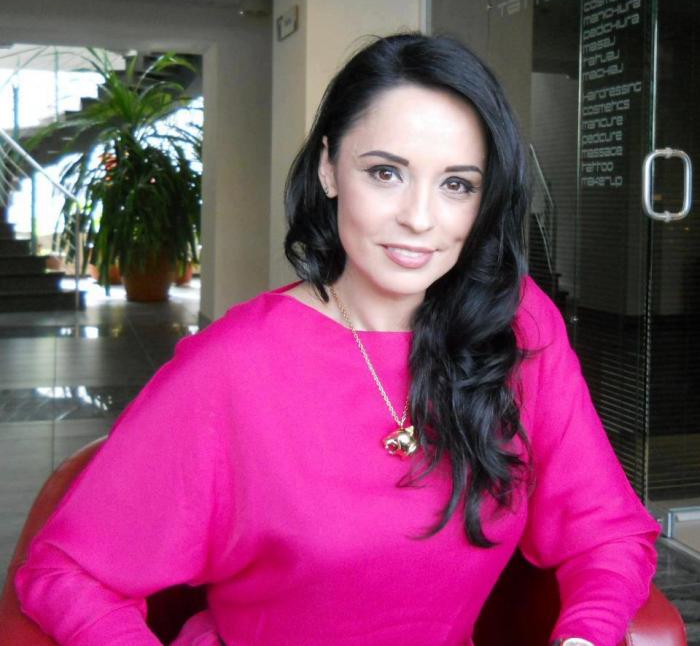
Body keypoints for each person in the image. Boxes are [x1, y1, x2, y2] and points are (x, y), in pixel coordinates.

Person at [15, 33, 660, 646]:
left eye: (456, 184)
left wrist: (587, 633)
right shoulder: (234, 364)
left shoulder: (516, 327)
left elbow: (607, 532)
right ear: (329, 168)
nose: (419, 218)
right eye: (385, 173)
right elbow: (65, 572)